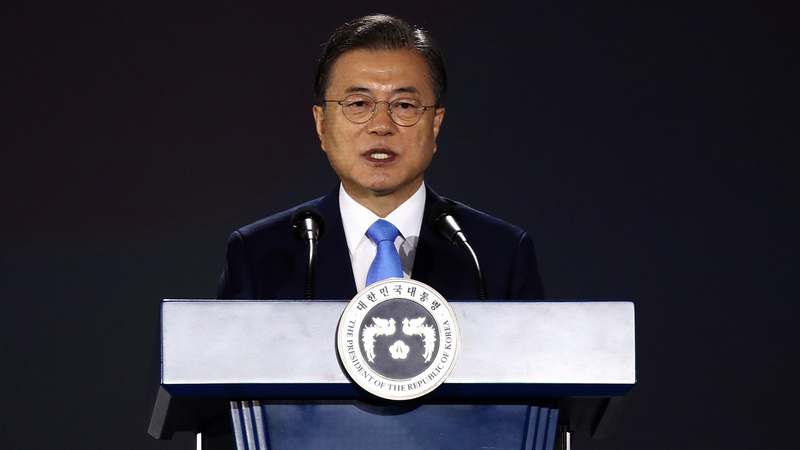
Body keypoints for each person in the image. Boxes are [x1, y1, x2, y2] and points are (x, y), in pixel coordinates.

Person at [217, 14, 544, 301]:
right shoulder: (259, 254)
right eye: (359, 104)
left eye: (405, 105)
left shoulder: (495, 254)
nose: (381, 126)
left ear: (435, 124)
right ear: (321, 124)